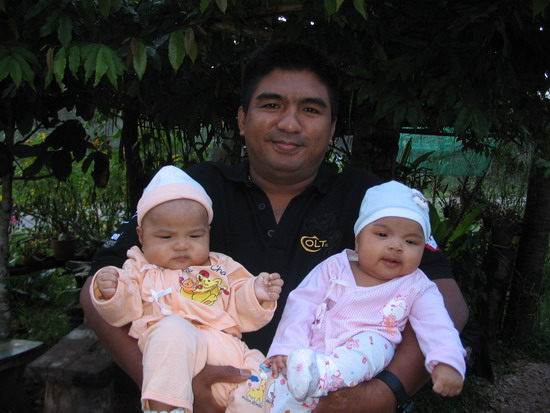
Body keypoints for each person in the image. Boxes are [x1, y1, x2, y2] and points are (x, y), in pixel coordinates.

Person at [81, 41, 469, 413]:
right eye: (271, 105)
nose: (289, 123)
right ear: (241, 119)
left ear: (332, 128)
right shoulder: (193, 192)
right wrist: (172, 386)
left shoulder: (372, 201)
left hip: (327, 396)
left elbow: (446, 300)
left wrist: (386, 392)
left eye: (311, 110)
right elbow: (97, 287)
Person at [89, 165, 283, 412]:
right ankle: (164, 408)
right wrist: (111, 290)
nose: (181, 246)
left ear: (208, 233)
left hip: (230, 353)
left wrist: (255, 293)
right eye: (166, 237)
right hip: (176, 357)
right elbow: (123, 312)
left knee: (266, 380)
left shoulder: (221, 267)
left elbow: (238, 303)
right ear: (141, 236)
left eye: (194, 236)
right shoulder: (137, 269)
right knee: (172, 330)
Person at [265, 181, 466, 412]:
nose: (396, 246)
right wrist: (287, 348)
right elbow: (301, 304)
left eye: (411, 241)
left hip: (362, 362)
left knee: (372, 341)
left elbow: (437, 324)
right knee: (281, 392)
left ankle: (323, 375)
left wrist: (448, 361)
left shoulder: (417, 286)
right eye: (382, 234)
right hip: (310, 353)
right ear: (358, 239)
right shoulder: (334, 267)